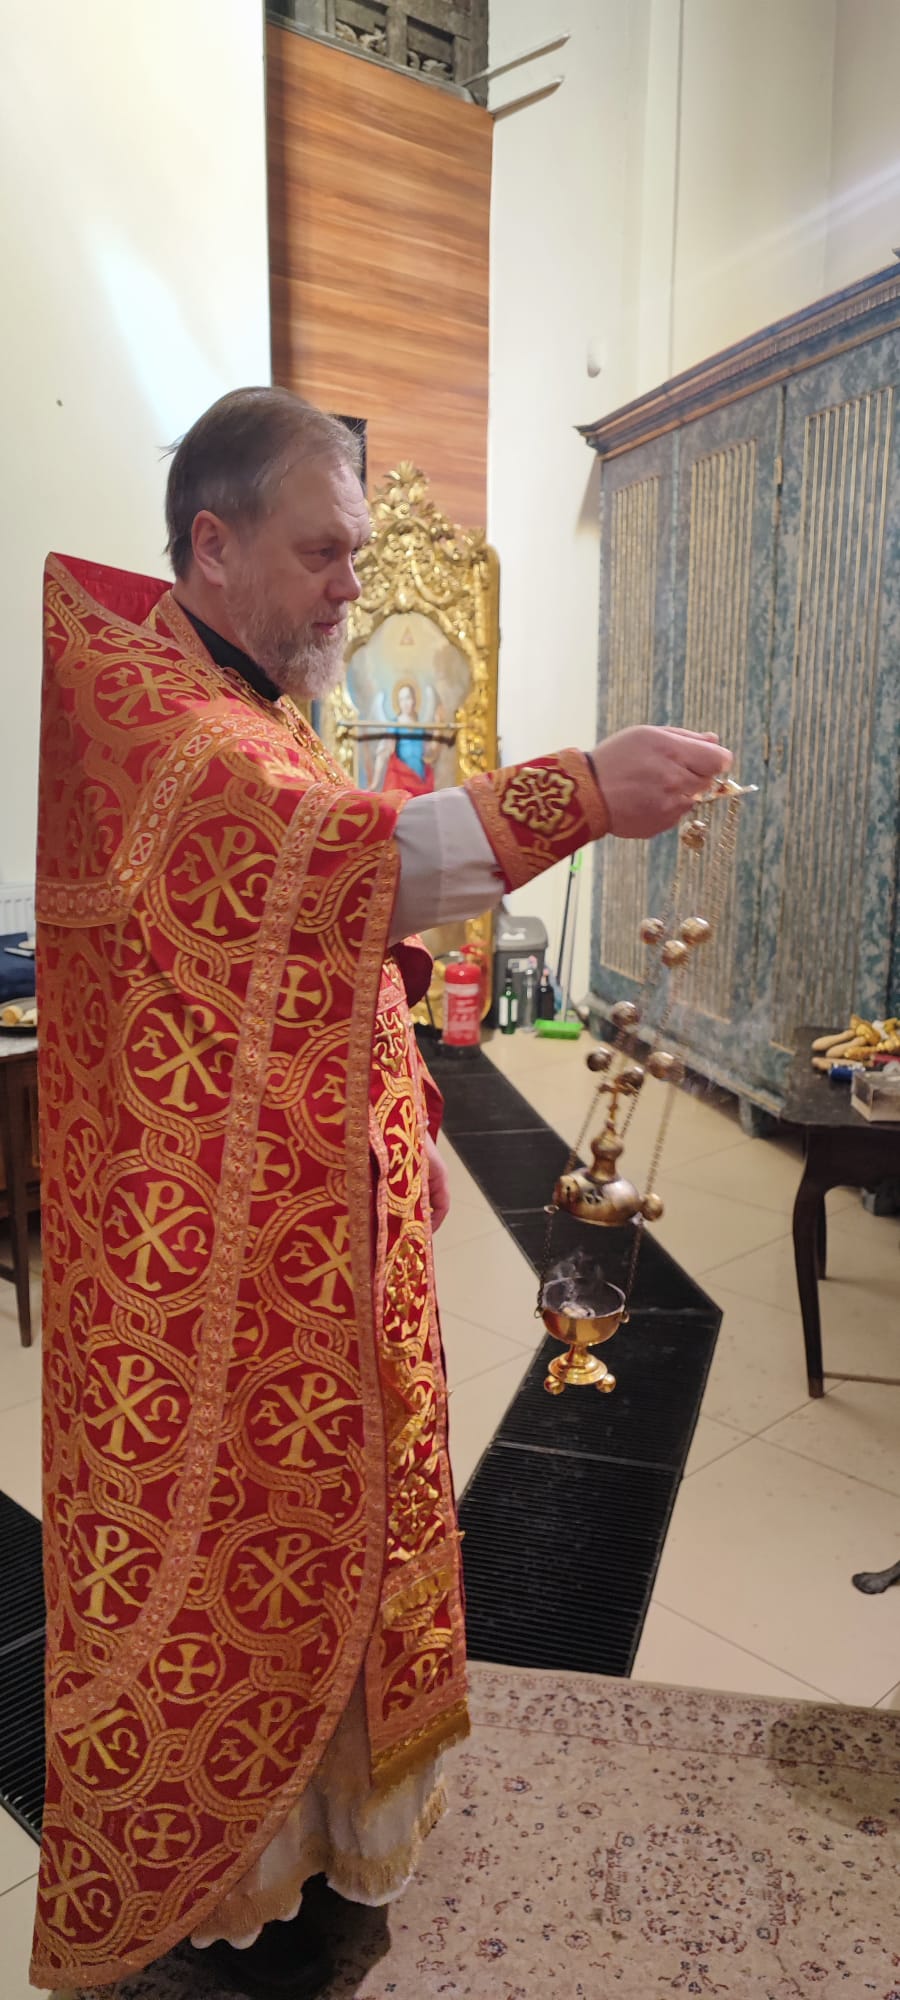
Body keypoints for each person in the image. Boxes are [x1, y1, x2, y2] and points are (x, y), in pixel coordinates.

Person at [31, 388, 732, 2000]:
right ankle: (226, 1886)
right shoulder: (165, 724)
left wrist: (394, 1105)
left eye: (358, 551)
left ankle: (333, 1841)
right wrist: (585, 790)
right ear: (213, 545)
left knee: (346, 1525)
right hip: (204, 1280)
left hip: (309, 1213)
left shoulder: (253, 694)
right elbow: (356, 863)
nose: (353, 585)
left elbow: (302, 957)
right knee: (242, 1560)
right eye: (323, 552)